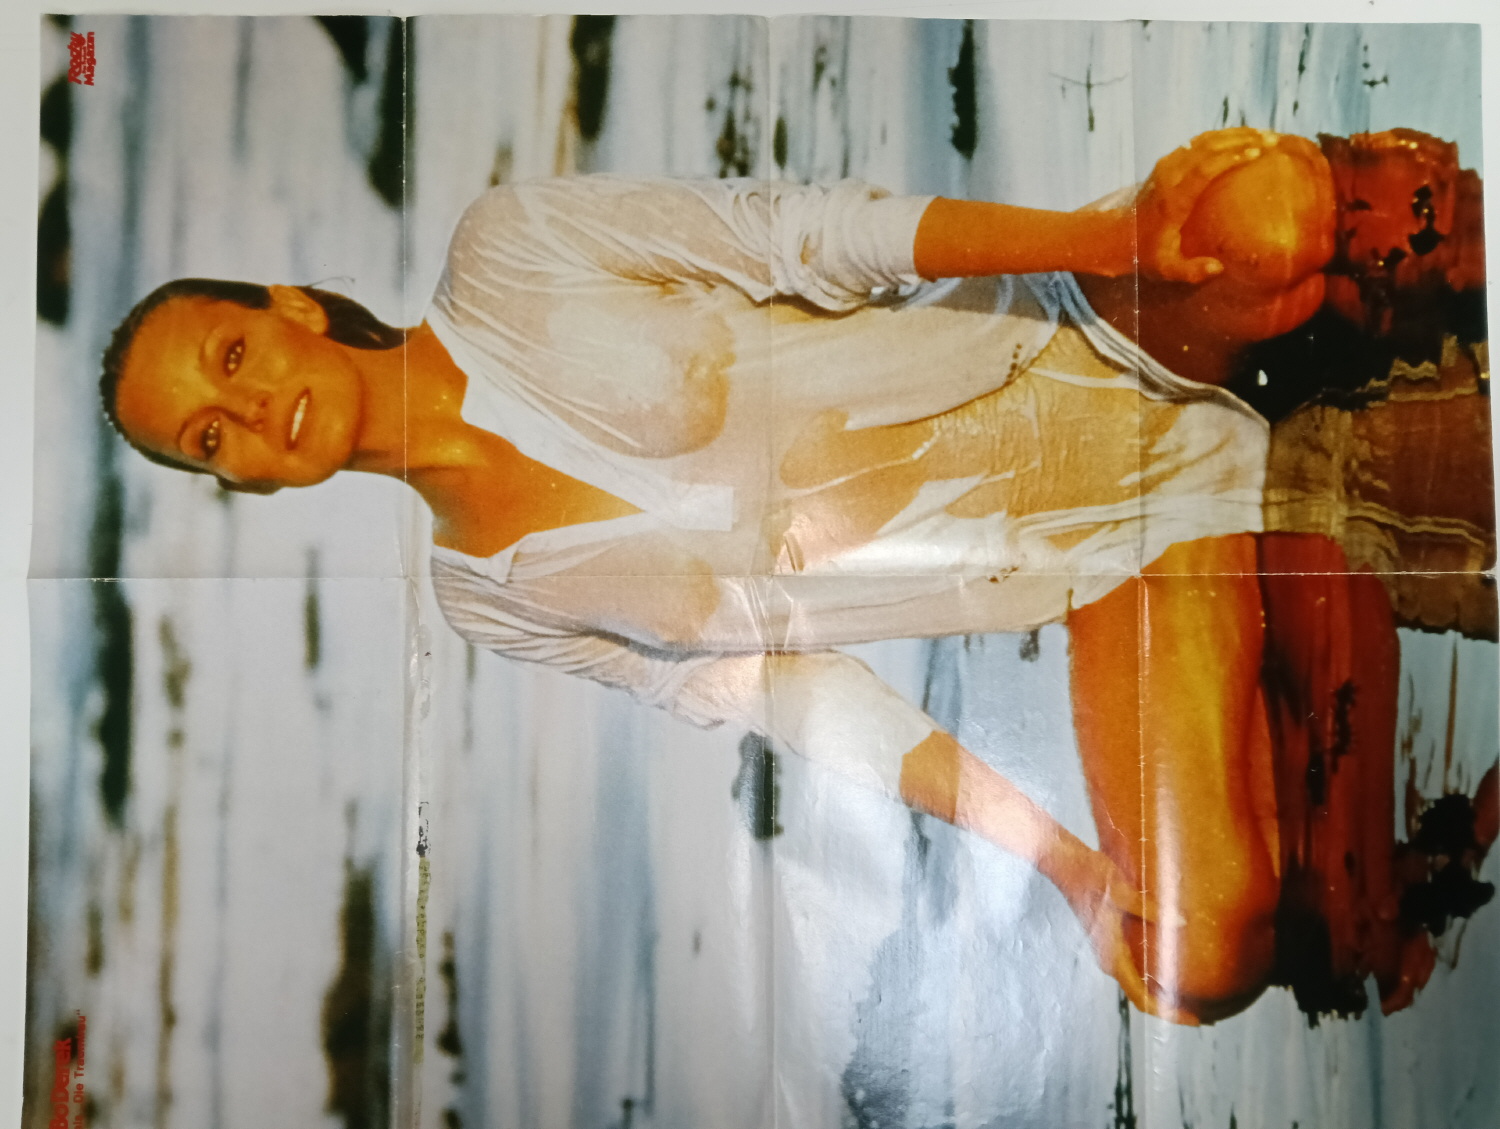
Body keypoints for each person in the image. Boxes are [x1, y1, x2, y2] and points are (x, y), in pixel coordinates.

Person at [99, 127, 1491, 1024]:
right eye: (210, 437)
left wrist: (1103, 241)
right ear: (241, 483)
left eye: (231, 357)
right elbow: (794, 698)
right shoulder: (489, 596)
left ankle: (1344, 418)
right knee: (1194, 954)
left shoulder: (507, 253)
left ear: (287, 308)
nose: (252, 409)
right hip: (1101, 562)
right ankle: (1327, 737)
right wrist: (1063, 866)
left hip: (1084, 344)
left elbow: (810, 233)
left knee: (1269, 219)